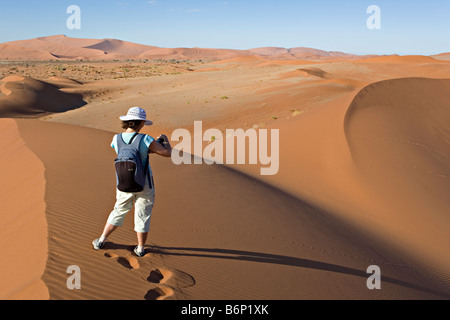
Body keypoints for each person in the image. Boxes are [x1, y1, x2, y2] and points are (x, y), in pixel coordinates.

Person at [92, 107, 172, 257]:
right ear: (141, 123)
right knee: (143, 214)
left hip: (123, 183)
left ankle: (101, 240)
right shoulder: (146, 139)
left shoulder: (116, 139)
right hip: (145, 184)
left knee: (118, 211)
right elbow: (167, 153)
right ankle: (141, 249)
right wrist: (165, 141)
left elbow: (126, 150)